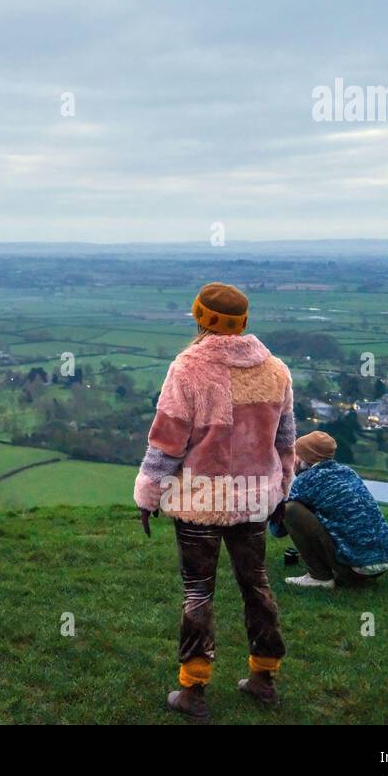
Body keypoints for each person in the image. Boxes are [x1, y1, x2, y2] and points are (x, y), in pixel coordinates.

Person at [134, 282, 296, 720]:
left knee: (198, 591)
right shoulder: (277, 370)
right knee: (256, 584)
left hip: (199, 501)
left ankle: (193, 690)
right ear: (244, 322)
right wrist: (282, 489)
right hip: (255, 500)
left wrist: (148, 495)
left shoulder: (187, 369)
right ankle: (264, 677)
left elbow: (167, 443)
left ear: (201, 319)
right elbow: (286, 443)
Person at [272, 431, 388, 589]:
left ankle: (319, 577)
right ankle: (348, 561)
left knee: (289, 509)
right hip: (386, 559)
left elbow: (278, 530)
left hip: (357, 568)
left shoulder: (307, 480)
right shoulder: (347, 472)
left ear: (304, 457)